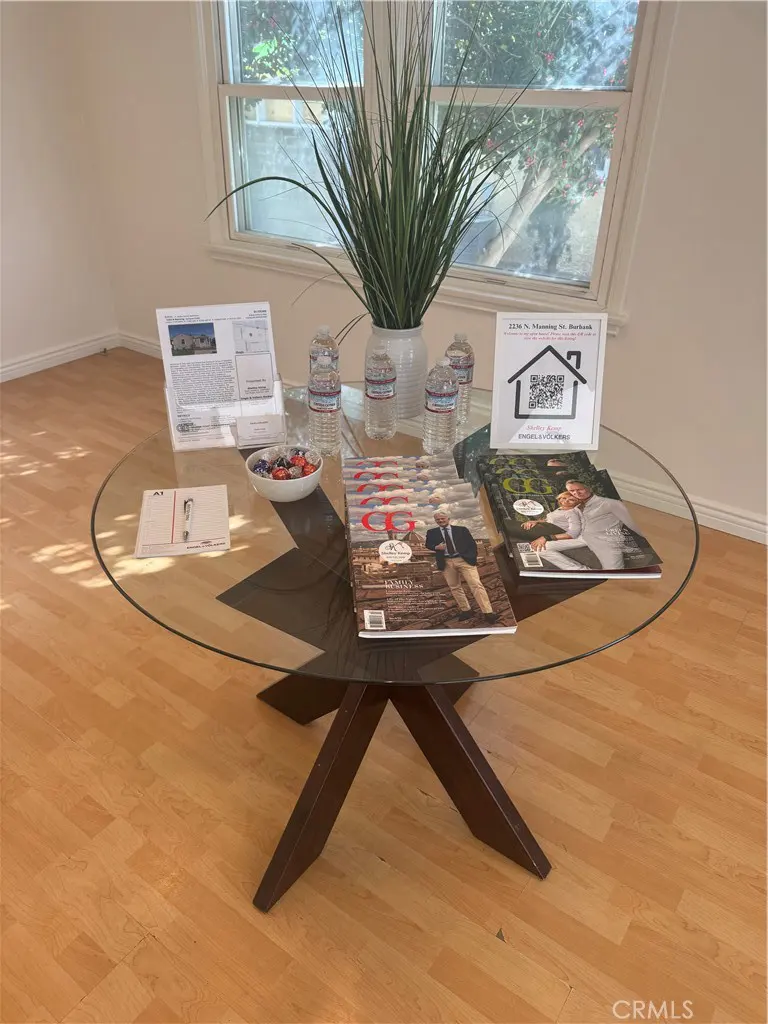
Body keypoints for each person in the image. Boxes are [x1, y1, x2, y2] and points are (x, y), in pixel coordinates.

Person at [531, 480, 644, 571]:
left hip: (605, 541)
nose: (576, 493)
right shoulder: (575, 506)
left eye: (580, 489)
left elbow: (633, 524)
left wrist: (647, 540)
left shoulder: (610, 503)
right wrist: (538, 522)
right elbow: (558, 519)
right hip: (581, 538)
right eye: (572, 491)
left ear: (589, 488)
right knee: (540, 549)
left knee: (614, 573)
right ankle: (583, 571)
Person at [425, 510, 498, 623]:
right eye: (438, 519)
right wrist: (436, 547)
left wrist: (471, 558)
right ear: (435, 521)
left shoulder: (461, 530)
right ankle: (466, 610)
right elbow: (428, 544)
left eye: (442, 518)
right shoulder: (431, 532)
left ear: (448, 519)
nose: (440, 520)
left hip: (464, 560)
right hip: (446, 562)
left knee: (476, 585)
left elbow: (472, 544)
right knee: (454, 587)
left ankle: (488, 612)